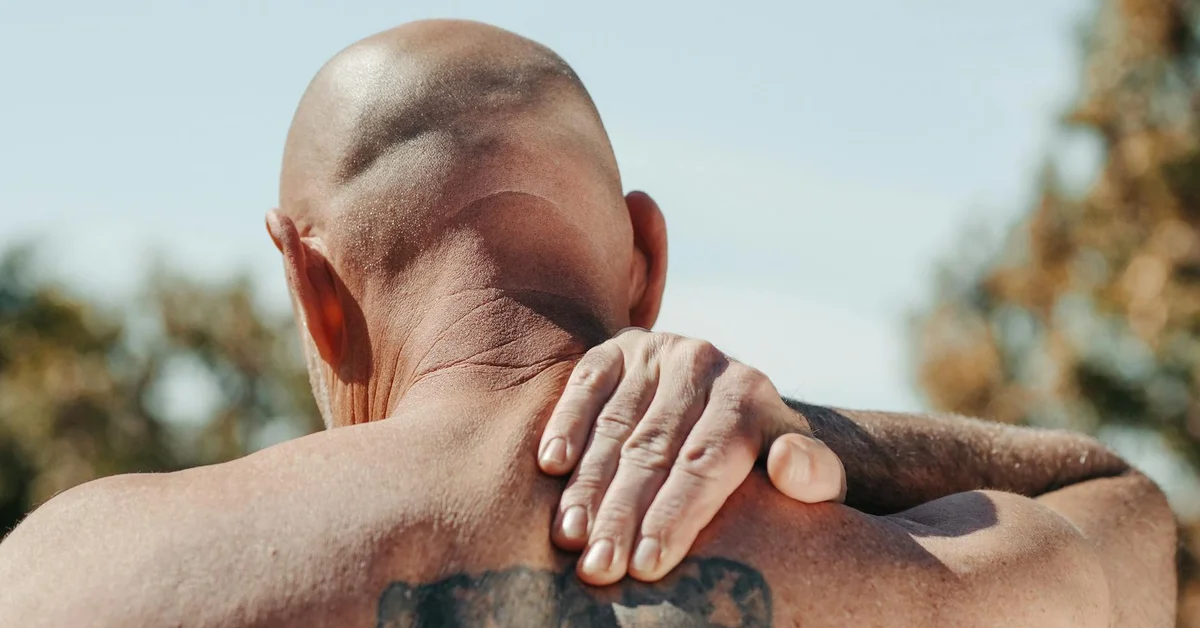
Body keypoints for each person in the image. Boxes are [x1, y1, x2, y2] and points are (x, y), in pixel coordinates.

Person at [0, 19, 1176, 627]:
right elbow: (1125, 504)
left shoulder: (76, 572)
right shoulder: (949, 583)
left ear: (312, 284)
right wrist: (819, 437)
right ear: (647, 257)